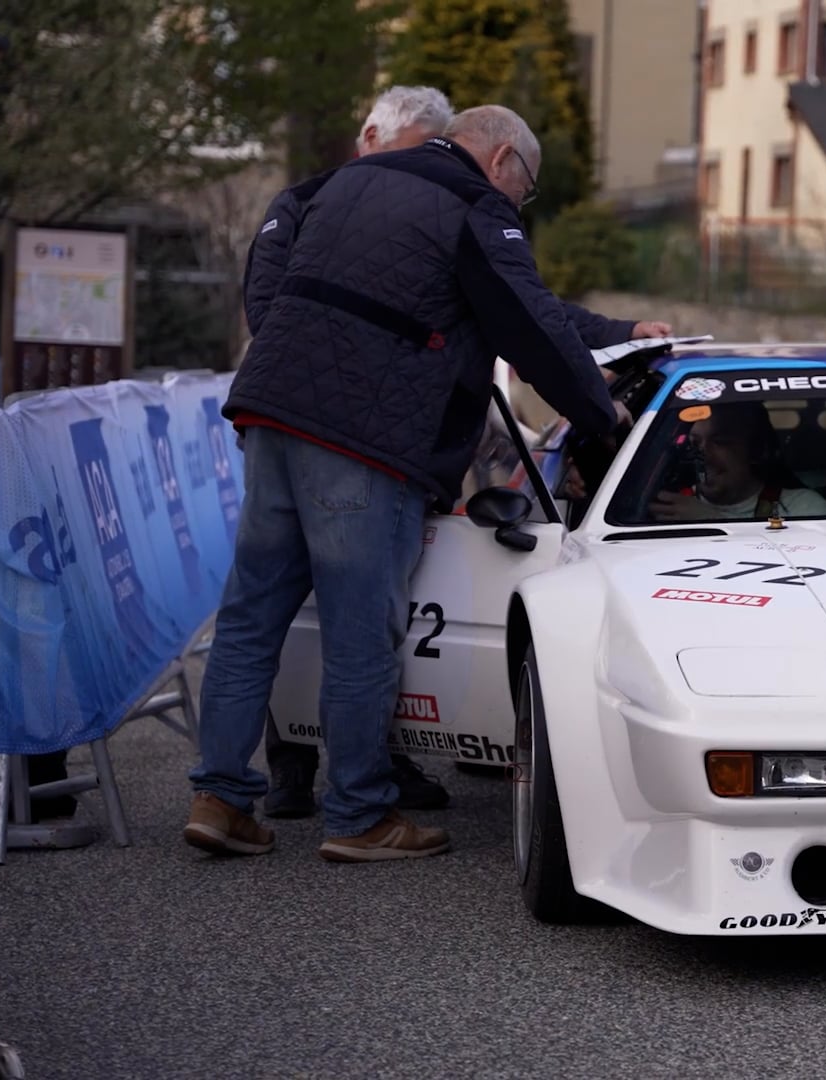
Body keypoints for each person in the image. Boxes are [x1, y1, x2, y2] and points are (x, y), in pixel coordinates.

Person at [185, 104, 622, 863]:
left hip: (270, 412)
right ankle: (358, 814)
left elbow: (276, 285)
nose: (523, 202)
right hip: (362, 437)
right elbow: (528, 321)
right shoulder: (477, 206)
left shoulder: (344, 183)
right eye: (529, 188)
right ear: (502, 163)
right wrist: (600, 417)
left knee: (252, 613)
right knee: (364, 628)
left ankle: (219, 798)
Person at [648, 404, 826, 521]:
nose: (703, 454)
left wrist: (709, 521)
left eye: (720, 442)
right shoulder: (662, 506)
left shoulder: (804, 508)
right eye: (694, 442)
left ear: (756, 450)